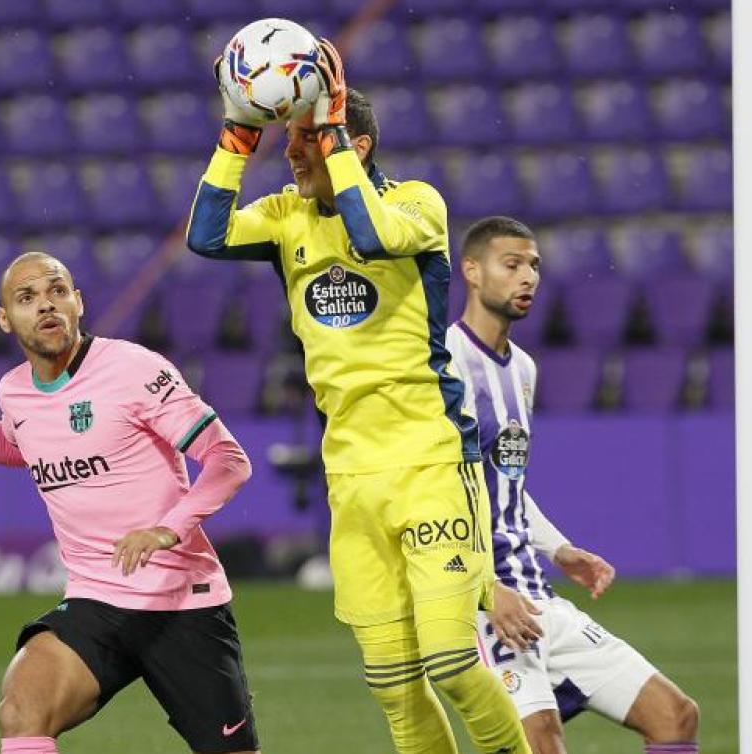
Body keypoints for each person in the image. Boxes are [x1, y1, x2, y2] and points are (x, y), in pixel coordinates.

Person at [187, 37, 529, 754]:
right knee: (397, 689)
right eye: (286, 143)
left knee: (453, 664)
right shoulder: (285, 218)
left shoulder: (416, 204)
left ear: (354, 141)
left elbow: (371, 238)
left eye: (304, 141)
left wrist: (331, 124)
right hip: (351, 475)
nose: (292, 156)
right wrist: (236, 135)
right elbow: (207, 235)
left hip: (431, 463)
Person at [0, 252, 261, 754]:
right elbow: (18, 443)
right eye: (27, 298)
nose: (46, 306)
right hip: (97, 600)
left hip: (180, 600)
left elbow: (228, 459)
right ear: (4, 319)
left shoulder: (133, 368)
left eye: (57, 291)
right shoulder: (14, 391)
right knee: (22, 710)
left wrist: (167, 529)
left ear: (79, 302)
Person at [446, 216, 700, 754]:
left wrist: (558, 548)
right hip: (486, 605)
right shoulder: (444, 369)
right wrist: (486, 590)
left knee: (675, 716)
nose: (528, 278)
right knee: (542, 744)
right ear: (471, 270)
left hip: (537, 599)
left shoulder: (524, 371)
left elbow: (503, 483)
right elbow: (434, 495)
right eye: (511, 265)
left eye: (534, 266)